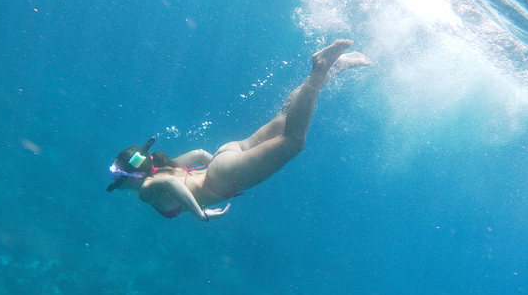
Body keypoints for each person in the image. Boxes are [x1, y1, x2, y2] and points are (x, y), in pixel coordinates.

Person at [106, 39, 371, 222]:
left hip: (223, 176)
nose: (117, 183)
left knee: (293, 141)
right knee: (283, 117)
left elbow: (171, 183)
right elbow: (199, 154)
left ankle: (321, 67)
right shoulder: (161, 167)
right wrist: (227, 163)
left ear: (129, 177)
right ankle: (336, 67)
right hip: (226, 157)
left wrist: (201, 214)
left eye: (118, 176)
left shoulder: (146, 189)